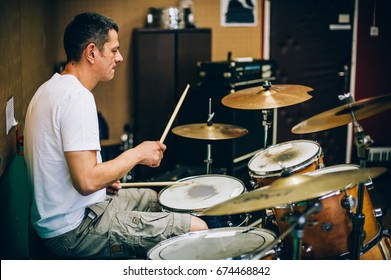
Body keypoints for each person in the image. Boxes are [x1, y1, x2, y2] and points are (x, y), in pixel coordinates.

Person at [24, 12, 208, 259]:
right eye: (113, 50)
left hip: (69, 212)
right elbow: (87, 181)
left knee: (153, 199)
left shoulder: (48, 89)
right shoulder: (78, 98)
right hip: (74, 230)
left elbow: (68, 169)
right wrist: (137, 154)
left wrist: (106, 177)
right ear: (91, 53)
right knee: (198, 229)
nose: (119, 58)